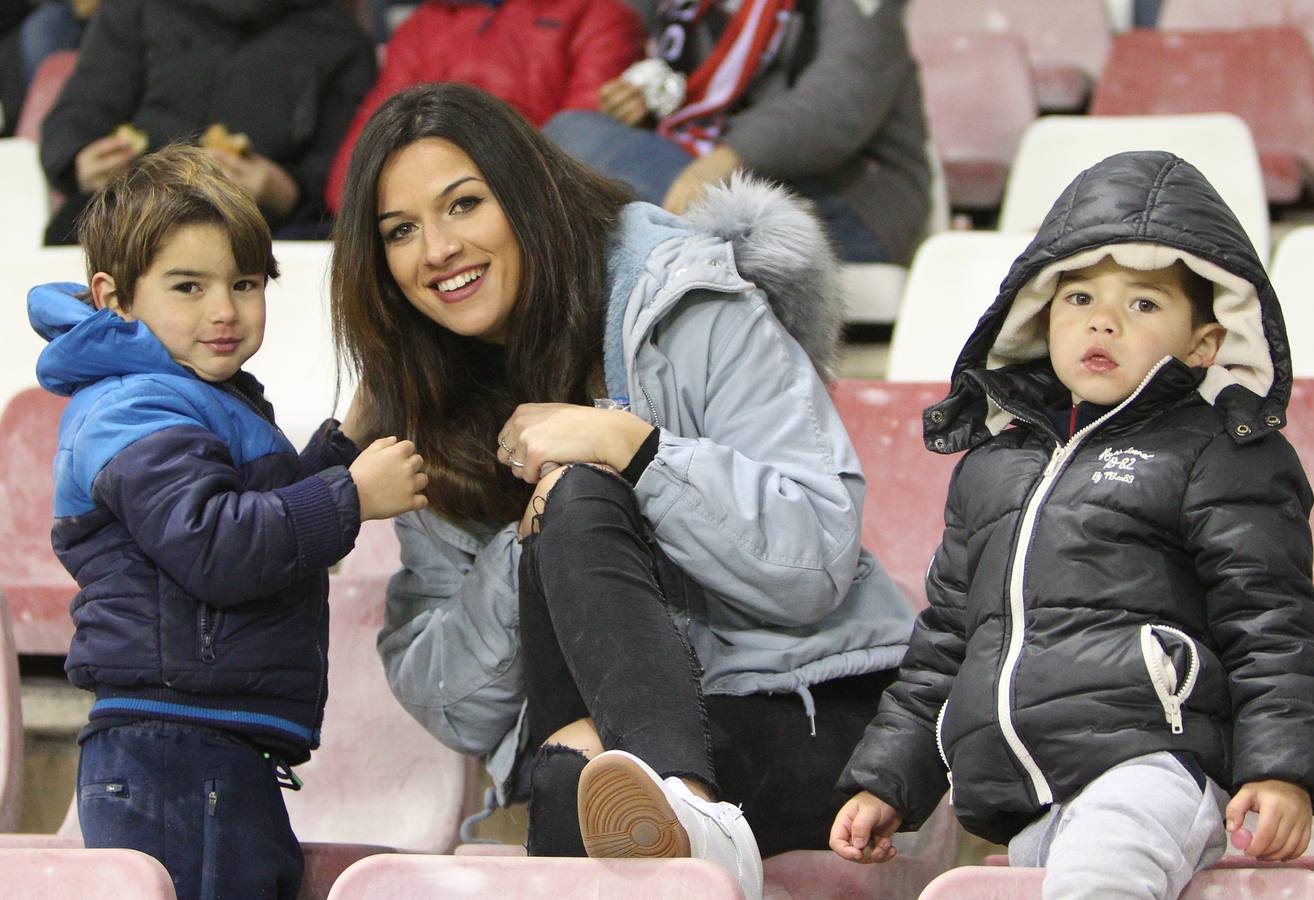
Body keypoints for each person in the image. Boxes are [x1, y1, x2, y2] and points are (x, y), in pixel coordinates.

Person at [329, 82, 914, 900]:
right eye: (400, 231)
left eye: (463, 204)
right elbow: (455, 708)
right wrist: (524, 547)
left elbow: (812, 561)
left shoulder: (688, 301)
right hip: (599, 754)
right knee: (575, 777)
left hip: (802, 706)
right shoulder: (430, 411)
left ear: (525, 194)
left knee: (578, 507)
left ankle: (685, 803)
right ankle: (683, 813)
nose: (437, 249)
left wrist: (631, 450)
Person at [830, 150, 1314, 899]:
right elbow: (944, 644)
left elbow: (1269, 622)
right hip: (1030, 800)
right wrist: (887, 781)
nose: (1103, 319)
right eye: (1078, 298)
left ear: (1203, 343)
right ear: (1040, 318)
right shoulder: (992, 466)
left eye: (1144, 304)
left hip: (1151, 767)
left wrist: (1279, 769)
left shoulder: (1221, 455)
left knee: (1099, 880)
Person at [28, 143, 427, 900]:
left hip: (205, 744)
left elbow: (258, 510)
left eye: (244, 283)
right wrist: (351, 496)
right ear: (114, 297)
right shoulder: (134, 406)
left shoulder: (197, 392)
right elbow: (218, 545)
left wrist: (345, 442)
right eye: (189, 286)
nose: (224, 310)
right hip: (171, 748)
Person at [542, 0, 930, 265]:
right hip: (712, 171)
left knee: (574, 140)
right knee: (571, 142)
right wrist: (641, 98)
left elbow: (840, 98)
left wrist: (724, 160)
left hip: (847, 201)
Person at [39, 0, 376, 245]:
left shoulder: (340, 39)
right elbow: (77, 115)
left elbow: (345, 173)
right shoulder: (135, 10)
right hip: (128, 212)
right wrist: (81, 159)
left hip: (263, 229)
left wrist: (287, 190)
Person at [324, 0, 645, 215]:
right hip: (427, 220)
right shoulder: (421, 28)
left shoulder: (598, 15)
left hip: (540, 225)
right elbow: (351, 183)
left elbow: (581, 157)